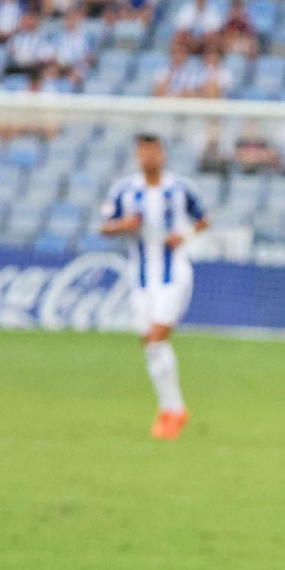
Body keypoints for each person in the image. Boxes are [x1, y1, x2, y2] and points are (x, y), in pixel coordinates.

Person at [98, 134, 209, 440]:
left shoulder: (180, 188)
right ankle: (171, 408)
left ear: (163, 153)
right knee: (150, 343)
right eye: (143, 151)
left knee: (157, 339)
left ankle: (173, 410)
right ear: (137, 155)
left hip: (174, 275)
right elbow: (104, 226)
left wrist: (183, 235)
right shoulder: (124, 190)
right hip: (141, 277)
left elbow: (203, 220)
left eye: (154, 151)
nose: (149, 157)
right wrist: (125, 226)